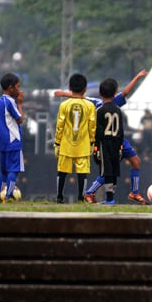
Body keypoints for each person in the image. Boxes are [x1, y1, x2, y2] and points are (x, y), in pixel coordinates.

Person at [56, 69, 148, 204]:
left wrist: (137, 77)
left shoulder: (114, 101)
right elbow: (80, 96)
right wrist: (65, 94)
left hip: (119, 140)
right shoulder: (98, 104)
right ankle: (89, 192)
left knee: (135, 162)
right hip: (106, 142)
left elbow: (126, 92)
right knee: (108, 171)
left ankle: (134, 193)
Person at [54, 73, 97, 204]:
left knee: (62, 171)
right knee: (82, 172)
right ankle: (80, 198)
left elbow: (59, 125)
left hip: (66, 144)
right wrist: (92, 142)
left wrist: (57, 142)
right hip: (83, 145)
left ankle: (59, 197)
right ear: (85, 89)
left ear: (69, 87)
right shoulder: (90, 106)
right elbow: (92, 126)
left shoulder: (64, 105)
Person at [0, 73, 24, 203]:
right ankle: (9, 195)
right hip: (13, 140)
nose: (19, 89)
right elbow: (20, 119)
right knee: (14, 169)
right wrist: (20, 103)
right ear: (11, 88)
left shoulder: (1, 100)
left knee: (4, 171)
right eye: (18, 86)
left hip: (3, 141)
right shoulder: (10, 101)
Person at [93, 78, 124, 205]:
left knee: (106, 171)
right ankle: (111, 196)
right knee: (114, 169)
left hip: (104, 143)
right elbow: (121, 130)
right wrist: (120, 145)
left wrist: (95, 147)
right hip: (116, 143)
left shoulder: (99, 110)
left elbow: (97, 131)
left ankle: (109, 198)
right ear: (116, 92)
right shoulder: (118, 110)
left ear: (100, 94)